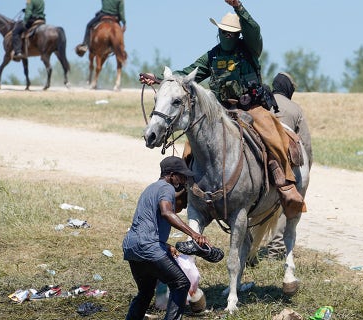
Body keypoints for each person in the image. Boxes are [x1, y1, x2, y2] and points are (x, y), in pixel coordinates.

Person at [139, 1, 304, 218]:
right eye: (224, 32)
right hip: (221, 111)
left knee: (272, 134)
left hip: (252, 107)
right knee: (192, 142)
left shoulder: (250, 49)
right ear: (218, 32)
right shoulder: (212, 56)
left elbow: (254, 31)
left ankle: (285, 184)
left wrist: (239, 8)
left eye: (232, 33)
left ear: (238, 35)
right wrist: (160, 80)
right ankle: (185, 190)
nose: (227, 36)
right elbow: (186, 74)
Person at [122, 156, 210, 320]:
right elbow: (166, 212)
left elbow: (147, 224)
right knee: (181, 284)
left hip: (131, 246)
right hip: (148, 247)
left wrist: (165, 245)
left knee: (146, 292)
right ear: (171, 174)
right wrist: (194, 234)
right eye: (181, 175)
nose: (184, 179)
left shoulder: (150, 188)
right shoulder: (167, 188)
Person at [265, 72, 312, 259]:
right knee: (288, 200)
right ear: (289, 89)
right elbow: (305, 144)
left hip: (261, 160)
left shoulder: (261, 103)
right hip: (286, 164)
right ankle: (276, 249)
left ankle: (250, 248)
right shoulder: (295, 109)